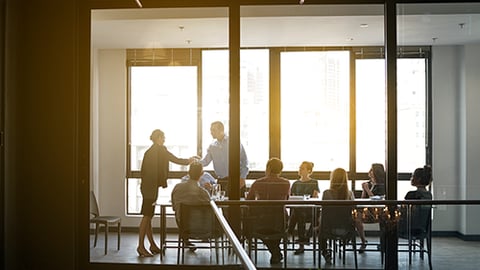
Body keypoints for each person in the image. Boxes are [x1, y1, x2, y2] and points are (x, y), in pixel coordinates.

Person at [136, 129, 196, 257]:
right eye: (163, 137)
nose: (164, 140)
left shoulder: (150, 151)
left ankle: (152, 245)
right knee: (147, 216)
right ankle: (140, 246)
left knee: (148, 216)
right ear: (158, 138)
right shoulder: (160, 150)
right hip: (150, 189)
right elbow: (174, 159)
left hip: (147, 187)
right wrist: (189, 161)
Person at [246, 157, 290, 264]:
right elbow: (286, 199)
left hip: (260, 220)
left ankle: (275, 252)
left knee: (252, 222)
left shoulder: (258, 183)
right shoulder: (286, 183)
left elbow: (249, 200)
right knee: (274, 229)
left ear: (268, 168)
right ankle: (275, 251)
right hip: (279, 221)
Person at [199, 121, 249, 196]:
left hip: (236, 180)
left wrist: (242, 178)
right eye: (210, 130)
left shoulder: (233, 142)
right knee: (221, 204)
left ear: (221, 130)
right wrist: (194, 162)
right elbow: (205, 162)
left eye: (213, 130)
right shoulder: (212, 147)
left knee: (238, 205)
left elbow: (244, 161)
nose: (211, 132)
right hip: (221, 181)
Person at [319, 167, 355, 264]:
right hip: (346, 230)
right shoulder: (350, 194)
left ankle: (325, 251)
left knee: (320, 223)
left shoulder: (327, 193)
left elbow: (325, 214)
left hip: (329, 230)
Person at [171, 162, 212, 248]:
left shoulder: (177, 188)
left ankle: (186, 240)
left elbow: (174, 208)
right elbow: (210, 210)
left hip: (184, 228)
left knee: (179, 215)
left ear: (188, 173)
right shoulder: (203, 193)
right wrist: (210, 190)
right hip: (204, 229)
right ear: (201, 174)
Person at [287, 161, 320, 254]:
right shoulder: (295, 183)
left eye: (302, 168)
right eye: (299, 168)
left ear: (308, 171)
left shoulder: (314, 182)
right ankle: (303, 240)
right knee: (299, 213)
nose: (300, 170)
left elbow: (315, 196)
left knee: (298, 213)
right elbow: (291, 197)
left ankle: (289, 232)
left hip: (310, 209)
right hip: (299, 209)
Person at [356, 163, 386, 253]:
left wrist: (367, 190)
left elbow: (376, 200)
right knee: (356, 218)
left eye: (372, 170)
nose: (370, 172)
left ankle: (383, 243)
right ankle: (363, 241)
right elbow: (363, 200)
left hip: (377, 211)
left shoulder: (382, 185)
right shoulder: (368, 184)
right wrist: (364, 190)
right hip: (366, 210)